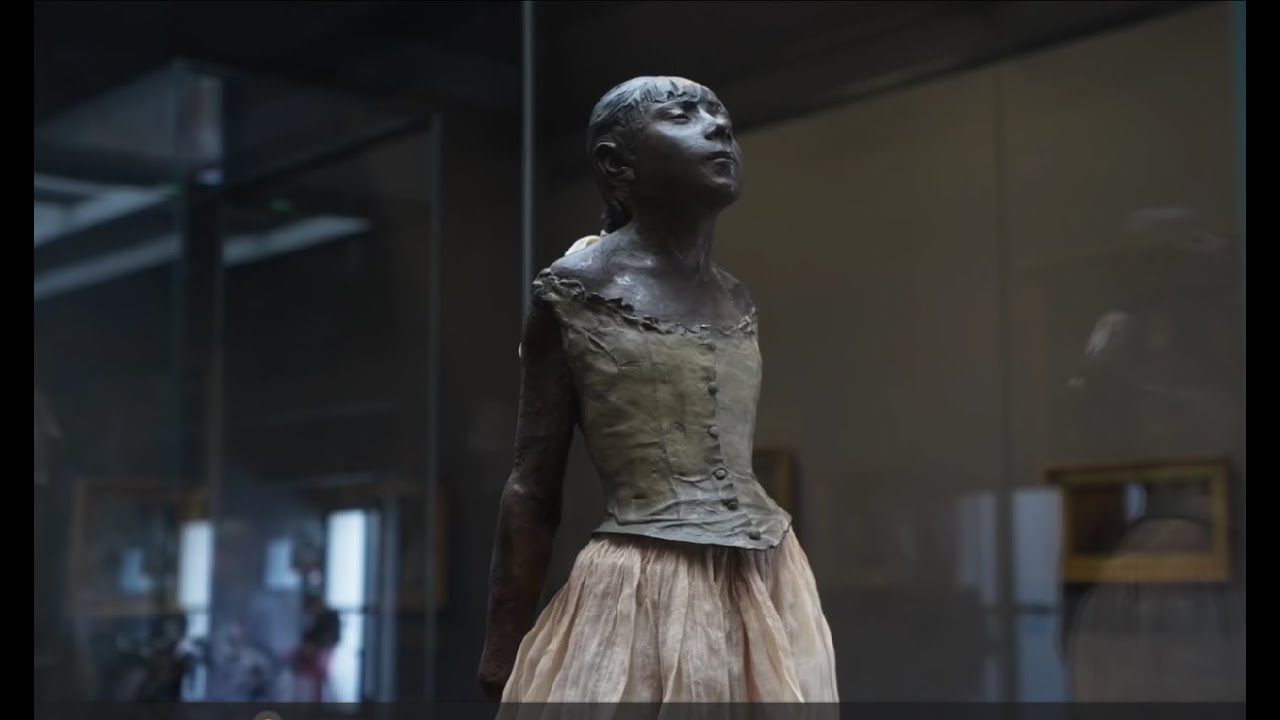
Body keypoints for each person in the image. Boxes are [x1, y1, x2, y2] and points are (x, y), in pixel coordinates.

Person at [479, 76, 837, 703]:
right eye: (682, 115)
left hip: (768, 577)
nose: (718, 127)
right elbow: (533, 487)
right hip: (643, 585)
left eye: (719, 114)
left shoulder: (735, 295)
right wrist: (503, 648)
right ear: (617, 163)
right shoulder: (574, 293)